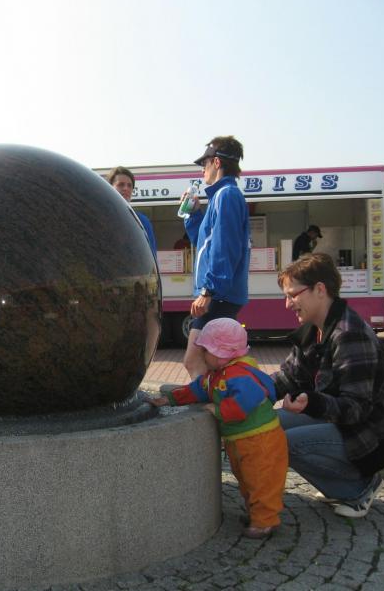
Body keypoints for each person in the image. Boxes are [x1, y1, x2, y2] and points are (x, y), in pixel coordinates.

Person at [272, 253, 384, 518]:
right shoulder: (314, 329)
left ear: (320, 290)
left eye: (292, 295)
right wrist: (248, 391)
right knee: (269, 426)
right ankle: (343, 481)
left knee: (284, 443)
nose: (287, 304)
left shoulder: (349, 334)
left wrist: (313, 402)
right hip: (347, 420)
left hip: (379, 434)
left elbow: (356, 409)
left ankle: (357, 489)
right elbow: (288, 376)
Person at [147, 318, 288, 539]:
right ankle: (258, 515)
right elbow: (196, 389)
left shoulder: (239, 375)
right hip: (243, 440)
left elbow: (244, 403)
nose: (202, 354)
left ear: (221, 353)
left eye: (206, 350)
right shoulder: (217, 374)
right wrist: (170, 399)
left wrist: (218, 409)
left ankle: (265, 521)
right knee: (247, 479)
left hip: (261, 441)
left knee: (262, 480)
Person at [180, 136, 250, 379]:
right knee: (210, 363)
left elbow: (225, 248)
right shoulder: (223, 196)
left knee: (195, 361)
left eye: (204, 163)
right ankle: (221, 400)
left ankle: (213, 403)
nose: (202, 170)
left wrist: (208, 291)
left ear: (217, 162)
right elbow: (205, 244)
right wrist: (193, 214)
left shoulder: (225, 196)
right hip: (221, 295)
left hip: (219, 296)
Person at [106, 166, 157, 257]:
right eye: (121, 184)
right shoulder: (101, 217)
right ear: (109, 187)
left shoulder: (142, 221)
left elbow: (152, 256)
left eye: (129, 185)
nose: (126, 188)